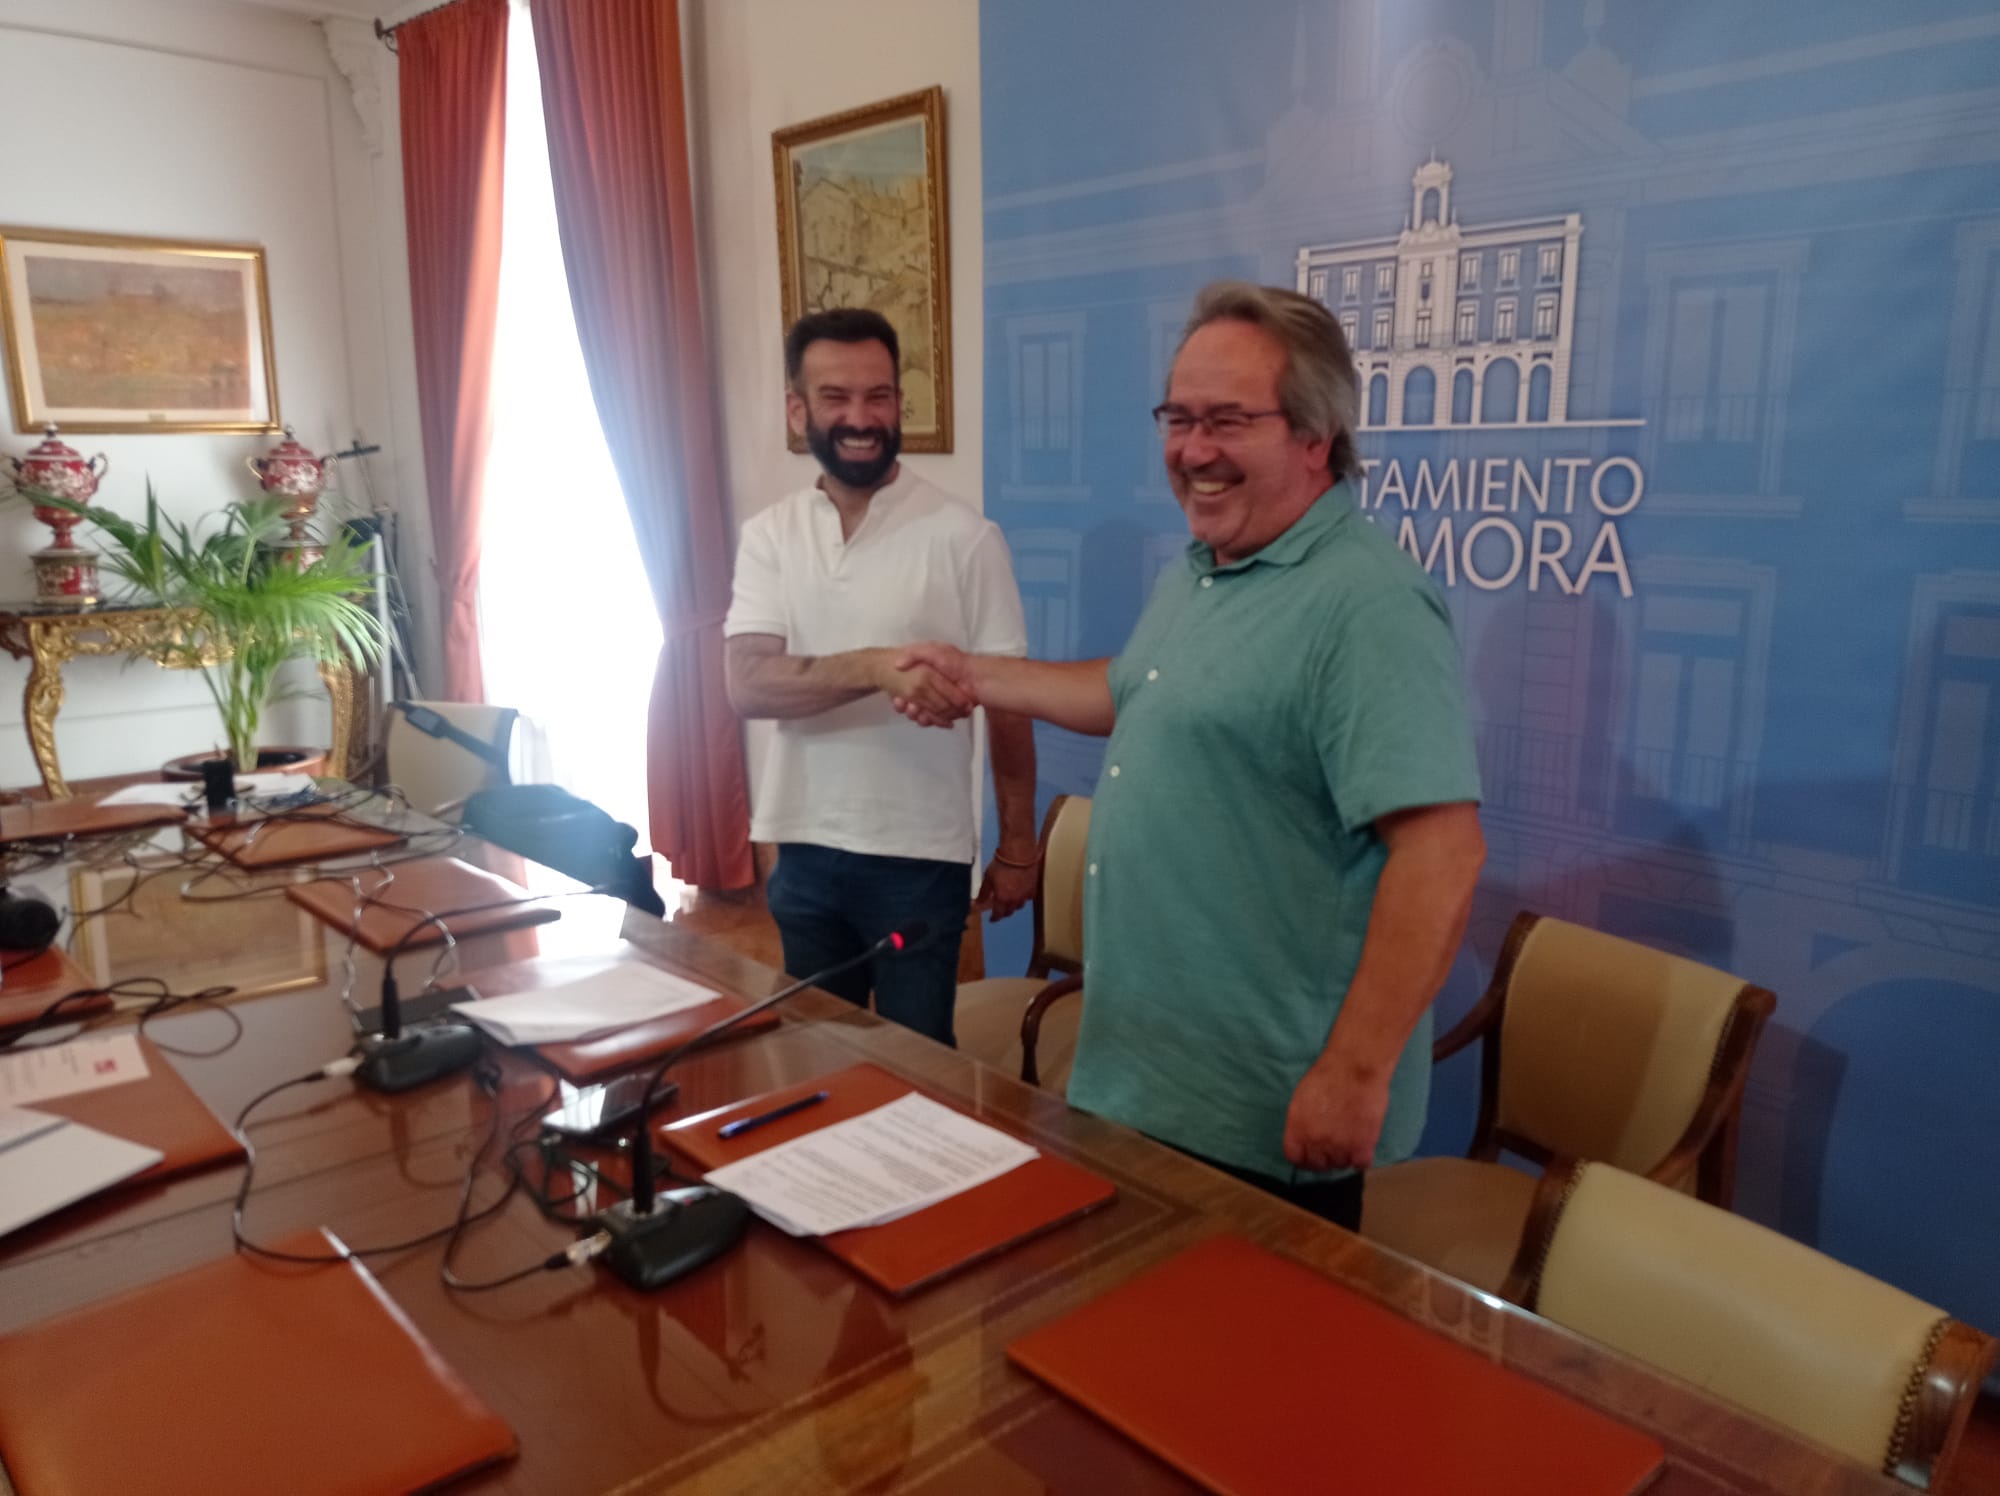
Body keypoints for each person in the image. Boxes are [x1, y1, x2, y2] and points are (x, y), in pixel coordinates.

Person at [892, 282, 1484, 1228]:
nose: (1193, 450)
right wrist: (975, 676)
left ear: (1316, 436)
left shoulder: (1370, 604)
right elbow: (1135, 691)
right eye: (1178, 418)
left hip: (1258, 1115)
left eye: (1228, 421)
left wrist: (1355, 1072)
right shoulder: (1207, 567)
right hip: (1145, 1078)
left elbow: (1442, 854)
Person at [723, 307, 1038, 1046]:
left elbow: (1011, 703)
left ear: (900, 403)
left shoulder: (965, 537)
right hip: (800, 844)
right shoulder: (769, 536)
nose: (861, 419)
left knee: (919, 1071)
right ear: (798, 410)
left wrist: (1019, 846)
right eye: (836, 398)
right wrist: (877, 666)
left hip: (919, 857)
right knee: (814, 1058)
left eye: (879, 396)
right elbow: (748, 685)